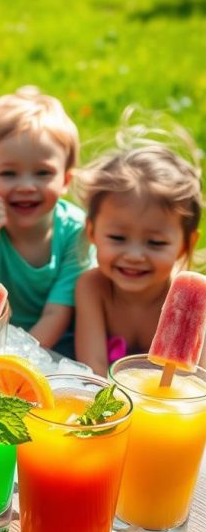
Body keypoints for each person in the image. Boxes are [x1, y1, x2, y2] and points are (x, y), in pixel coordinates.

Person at [0, 87, 93, 351]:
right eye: (9, 174)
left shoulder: (76, 232)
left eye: (43, 173)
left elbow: (57, 313)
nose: (26, 186)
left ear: (65, 179)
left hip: (61, 343)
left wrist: (21, 360)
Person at [74, 145, 202, 376]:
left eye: (155, 243)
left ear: (186, 244)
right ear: (92, 232)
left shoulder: (193, 304)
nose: (134, 256)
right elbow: (93, 372)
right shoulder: (92, 288)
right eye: (117, 238)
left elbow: (197, 381)